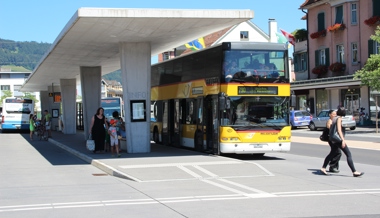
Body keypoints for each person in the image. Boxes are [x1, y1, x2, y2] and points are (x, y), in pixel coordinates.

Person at [320, 107, 364, 177]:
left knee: (332, 153)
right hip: (337, 139)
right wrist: (343, 140)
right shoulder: (339, 118)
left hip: (333, 139)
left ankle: (323, 167)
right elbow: (339, 130)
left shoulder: (334, 118)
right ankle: (354, 171)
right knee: (348, 154)